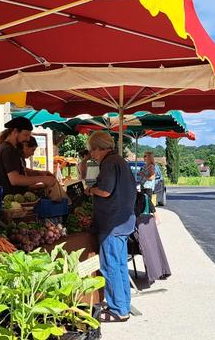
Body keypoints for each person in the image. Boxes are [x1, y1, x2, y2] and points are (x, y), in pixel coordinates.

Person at [84, 131, 136, 322]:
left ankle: (117, 309)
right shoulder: (120, 161)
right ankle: (124, 305)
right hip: (123, 222)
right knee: (120, 265)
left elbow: (105, 191)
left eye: (92, 151)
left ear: (99, 148)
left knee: (110, 266)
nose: (92, 155)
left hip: (112, 223)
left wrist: (90, 190)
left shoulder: (109, 163)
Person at [0, 118, 56, 195]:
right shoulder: (8, 150)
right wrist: (42, 179)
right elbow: (15, 180)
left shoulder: (11, 148)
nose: (28, 139)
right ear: (15, 131)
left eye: (29, 135)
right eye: (25, 135)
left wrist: (39, 173)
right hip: (11, 201)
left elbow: (18, 169)